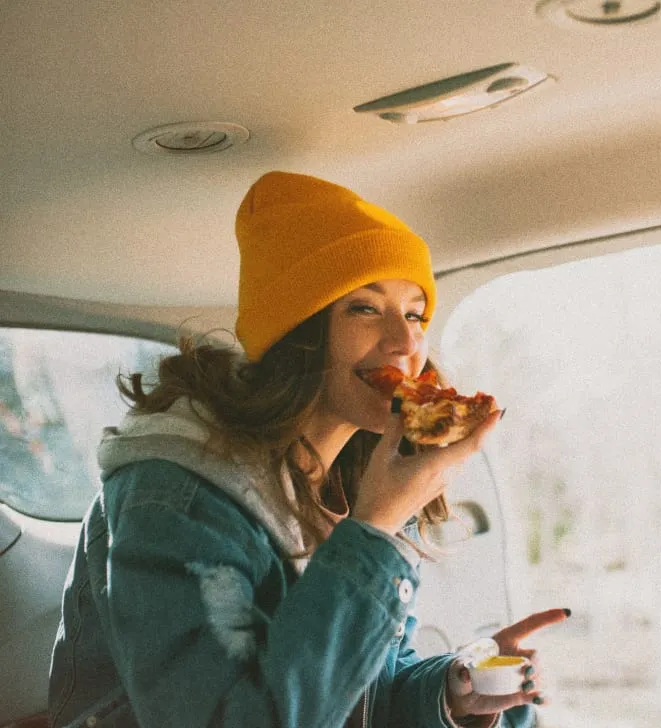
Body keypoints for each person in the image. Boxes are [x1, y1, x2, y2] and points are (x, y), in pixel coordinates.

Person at [48, 171, 570, 727]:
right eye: (365, 309)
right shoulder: (175, 495)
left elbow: (358, 689)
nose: (406, 342)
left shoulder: (351, 481)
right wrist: (373, 530)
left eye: (415, 313)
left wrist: (452, 694)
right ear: (298, 331)